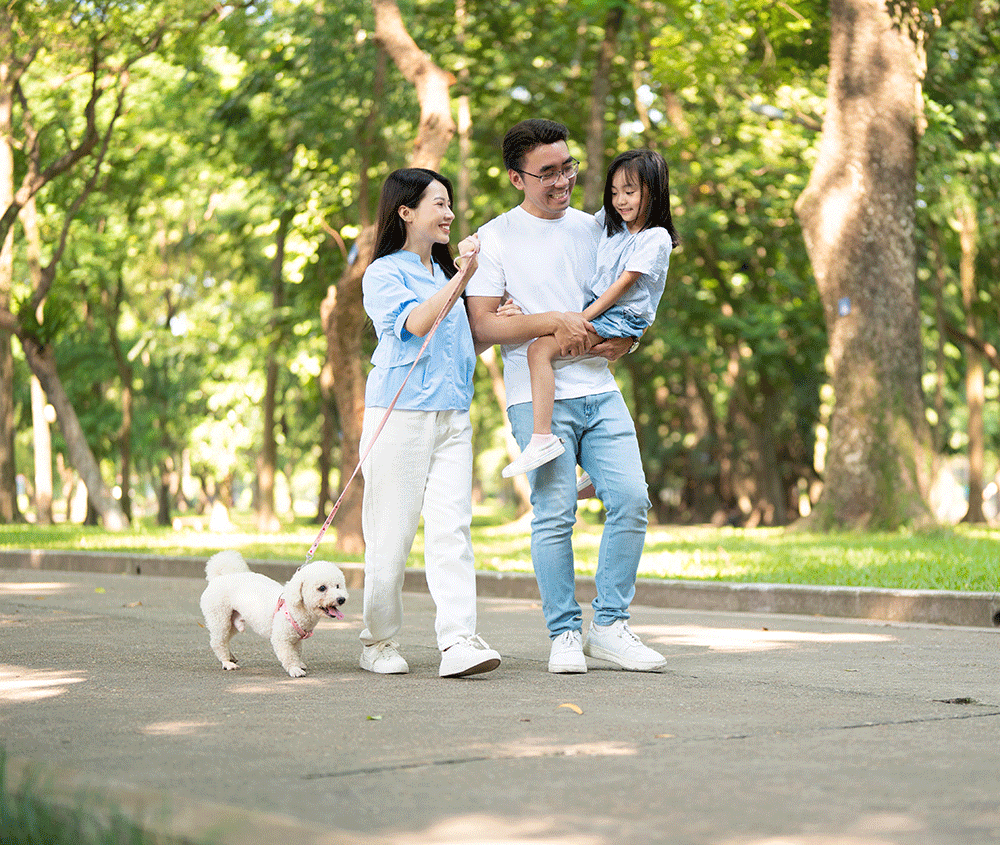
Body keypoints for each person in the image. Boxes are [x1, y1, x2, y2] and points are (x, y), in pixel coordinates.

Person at [464, 119, 668, 674]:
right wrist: (548, 319)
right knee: (554, 514)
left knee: (631, 500)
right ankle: (564, 634)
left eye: (569, 167)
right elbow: (482, 328)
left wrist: (629, 340)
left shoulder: (597, 227)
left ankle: (610, 626)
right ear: (516, 177)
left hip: (599, 388)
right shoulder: (496, 237)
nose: (563, 182)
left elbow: (634, 288)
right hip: (538, 397)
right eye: (547, 173)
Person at [358, 167, 501, 678]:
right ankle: (378, 642)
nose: (450, 214)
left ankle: (459, 640)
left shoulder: (444, 278)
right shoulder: (384, 274)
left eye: (449, 204)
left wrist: (497, 322)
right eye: (439, 204)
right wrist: (465, 276)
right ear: (406, 212)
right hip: (399, 419)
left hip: (452, 417)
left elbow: (460, 347)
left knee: (452, 530)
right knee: (390, 535)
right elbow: (417, 324)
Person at [500, 149, 679, 478]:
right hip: (605, 314)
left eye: (630, 192)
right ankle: (594, 467)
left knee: (540, 350)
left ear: (653, 192)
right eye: (614, 193)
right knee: (556, 355)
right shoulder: (616, 227)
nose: (620, 201)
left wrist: (581, 318)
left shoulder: (655, 238)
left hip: (619, 317)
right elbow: (568, 225)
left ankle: (541, 439)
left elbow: (621, 287)